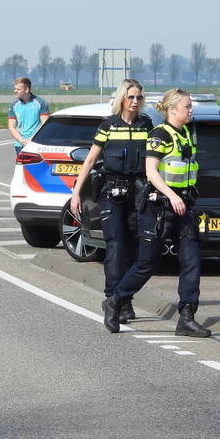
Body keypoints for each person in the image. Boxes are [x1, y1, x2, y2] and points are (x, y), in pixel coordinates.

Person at [103, 88, 211, 337]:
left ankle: (186, 317)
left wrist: (184, 197)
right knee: (147, 263)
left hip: (183, 205)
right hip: (158, 206)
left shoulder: (185, 134)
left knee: (191, 260)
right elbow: (151, 171)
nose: (191, 110)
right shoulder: (159, 135)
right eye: (187, 106)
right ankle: (115, 300)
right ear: (173, 110)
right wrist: (172, 196)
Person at [70, 78, 152, 323]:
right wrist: (76, 192)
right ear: (122, 99)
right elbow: (90, 160)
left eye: (138, 97)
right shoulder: (108, 125)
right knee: (116, 246)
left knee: (135, 248)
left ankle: (124, 300)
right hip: (111, 193)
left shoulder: (146, 125)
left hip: (137, 193)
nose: (135, 101)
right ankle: (112, 299)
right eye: (131, 97)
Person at [7, 77, 49, 154]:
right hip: (20, 144)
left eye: (18, 89)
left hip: (36, 143)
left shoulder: (41, 102)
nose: (15, 91)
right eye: (14, 89)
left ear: (26, 90)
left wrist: (31, 139)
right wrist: (22, 141)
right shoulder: (14, 105)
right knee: (21, 166)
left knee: (36, 166)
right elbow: (11, 126)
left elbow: (44, 124)